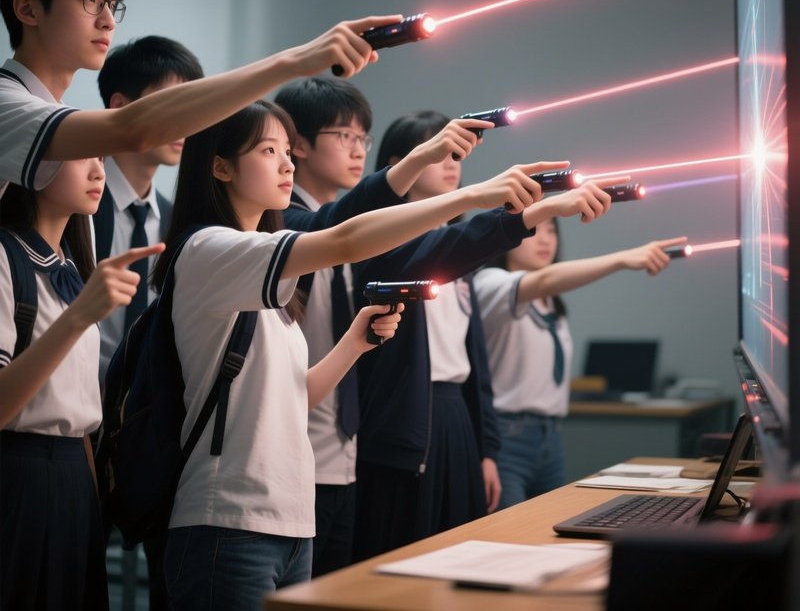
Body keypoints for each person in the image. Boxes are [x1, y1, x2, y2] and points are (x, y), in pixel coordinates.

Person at [152, 99, 554, 608]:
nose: (286, 163)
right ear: (220, 166)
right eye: (268, 150)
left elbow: (296, 394)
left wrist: (355, 342)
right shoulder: (211, 249)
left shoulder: (267, 274)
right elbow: (343, 237)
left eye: (286, 150)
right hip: (228, 516)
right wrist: (471, 195)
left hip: (290, 517)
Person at [351, 110, 619, 561]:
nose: (453, 162)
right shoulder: (387, 243)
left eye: (458, 154)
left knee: (462, 546)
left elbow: (476, 363)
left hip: (456, 410)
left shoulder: (455, 247)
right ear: (401, 167)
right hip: (409, 413)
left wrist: (486, 449)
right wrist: (541, 209)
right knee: (406, 551)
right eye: (440, 153)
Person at [0, 0, 400, 198]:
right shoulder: (6, 103)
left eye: (111, 4)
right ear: (28, 9)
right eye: (89, 0)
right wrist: (294, 61)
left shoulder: (44, 111)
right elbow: (134, 128)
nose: (107, 20)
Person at [275, 77, 489, 575]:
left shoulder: (347, 229)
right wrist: (474, 199)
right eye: (343, 136)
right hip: (300, 445)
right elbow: (341, 230)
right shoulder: (288, 223)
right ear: (299, 144)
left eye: (361, 139)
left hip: (341, 449)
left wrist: (515, 214)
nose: (355, 150)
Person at [0, 158, 163, 610]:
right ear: (29, 164)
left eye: (100, 157)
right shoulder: (5, 255)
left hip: (75, 470)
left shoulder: (73, 265)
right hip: (18, 473)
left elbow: (80, 404)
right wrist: (78, 317)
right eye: (82, 156)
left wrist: (92, 497)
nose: (99, 171)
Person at [93, 35, 203, 609]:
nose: (187, 121)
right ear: (119, 107)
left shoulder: (172, 219)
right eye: (172, 104)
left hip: (150, 425)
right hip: (80, 422)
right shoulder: (76, 206)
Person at [473, 218, 687, 507]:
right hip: (507, 436)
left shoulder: (551, 301)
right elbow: (544, 280)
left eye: (552, 231)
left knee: (547, 532)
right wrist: (622, 259)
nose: (545, 239)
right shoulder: (490, 282)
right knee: (510, 538)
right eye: (533, 230)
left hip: (551, 437)